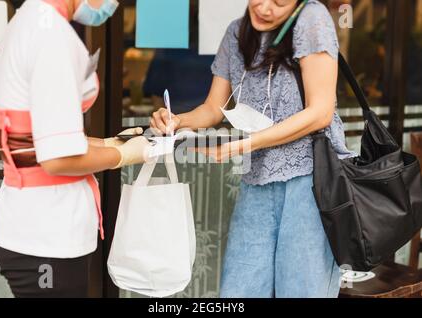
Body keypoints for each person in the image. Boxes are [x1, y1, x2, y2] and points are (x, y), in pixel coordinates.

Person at [151, 0, 356, 298]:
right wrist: (176, 120)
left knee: (303, 291)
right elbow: (213, 109)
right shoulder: (236, 33)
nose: (265, 8)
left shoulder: (312, 18)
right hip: (257, 181)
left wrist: (246, 144)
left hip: (312, 183)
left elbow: (320, 112)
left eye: (280, 2)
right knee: (239, 291)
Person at [0, 0, 150, 297]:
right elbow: (58, 157)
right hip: (47, 237)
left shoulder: (28, 21)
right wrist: (125, 154)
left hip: (31, 228)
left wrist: (105, 143)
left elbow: (32, 136)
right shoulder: (51, 34)